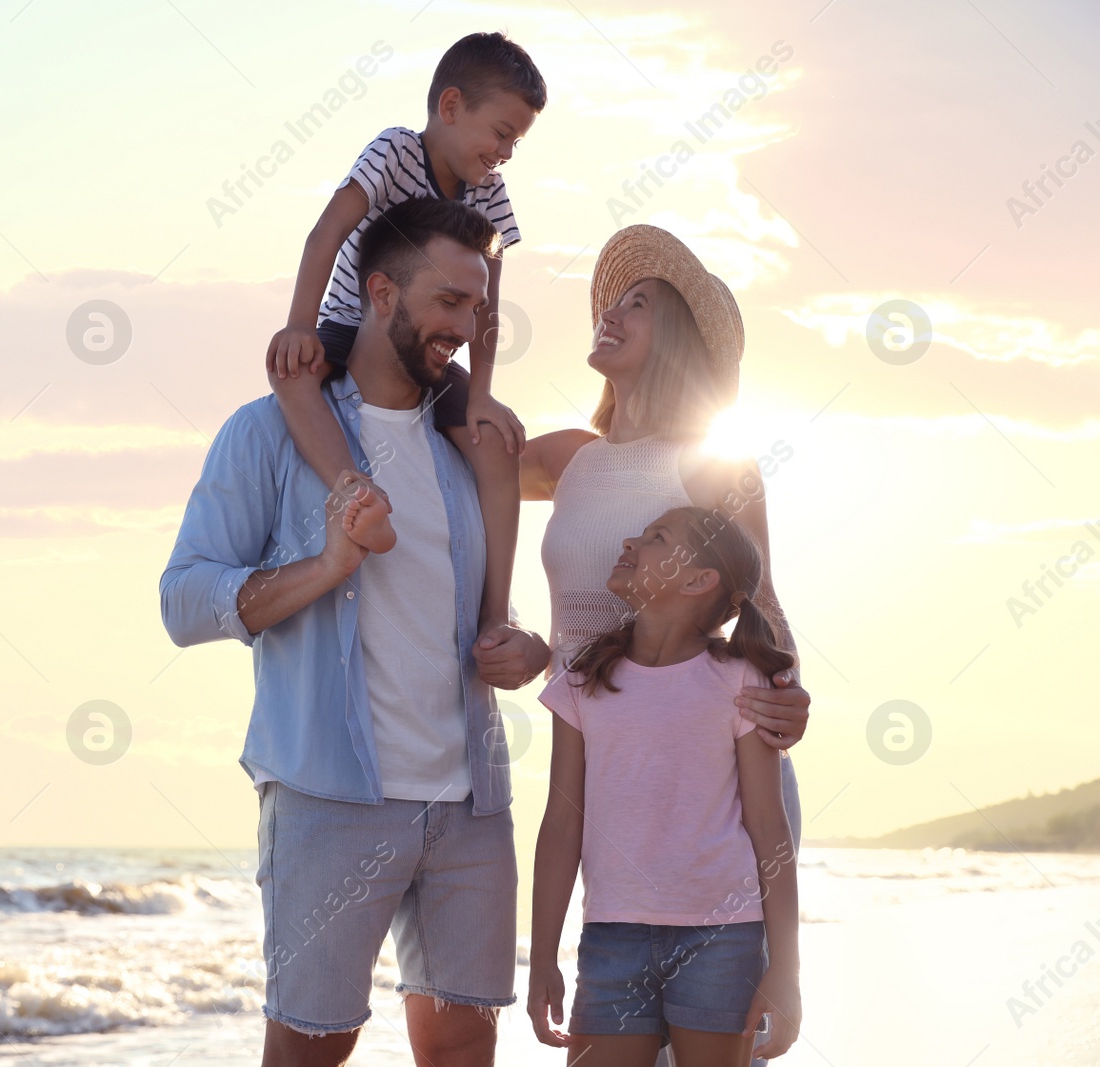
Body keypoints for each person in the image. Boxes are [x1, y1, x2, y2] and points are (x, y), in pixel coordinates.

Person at [160, 196, 553, 1067]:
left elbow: (470, 608)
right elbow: (184, 600)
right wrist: (326, 566)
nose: (467, 324)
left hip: (471, 805)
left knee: (461, 1049)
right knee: (312, 1049)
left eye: (479, 308)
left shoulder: (465, 446)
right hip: (329, 801)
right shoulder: (267, 431)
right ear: (381, 292)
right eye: (449, 301)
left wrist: (525, 646)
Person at [516, 224, 810, 1067]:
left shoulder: (717, 464)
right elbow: (475, 451)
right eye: (614, 300)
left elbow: (760, 595)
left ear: (674, 335)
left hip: (709, 779)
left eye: (638, 305)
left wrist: (787, 687)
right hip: (610, 774)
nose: (612, 312)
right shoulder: (573, 458)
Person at [265, 30, 547, 640]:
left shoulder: (490, 195)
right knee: (291, 374)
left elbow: (487, 305)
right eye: (501, 132)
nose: (506, 151)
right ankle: (355, 493)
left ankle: (495, 614)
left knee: (498, 445)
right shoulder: (394, 152)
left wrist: (481, 395)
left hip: (432, 354)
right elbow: (327, 233)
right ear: (450, 107)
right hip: (351, 327)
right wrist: (298, 325)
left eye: (517, 141)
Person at [527, 507, 802, 1065]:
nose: (630, 539)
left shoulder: (742, 680)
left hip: (724, 939)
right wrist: (541, 957)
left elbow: (770, 828)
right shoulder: (579, 682)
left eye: (656, 537)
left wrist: (786, 968)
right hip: (612, 936)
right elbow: (561, 826)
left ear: (700, 580)